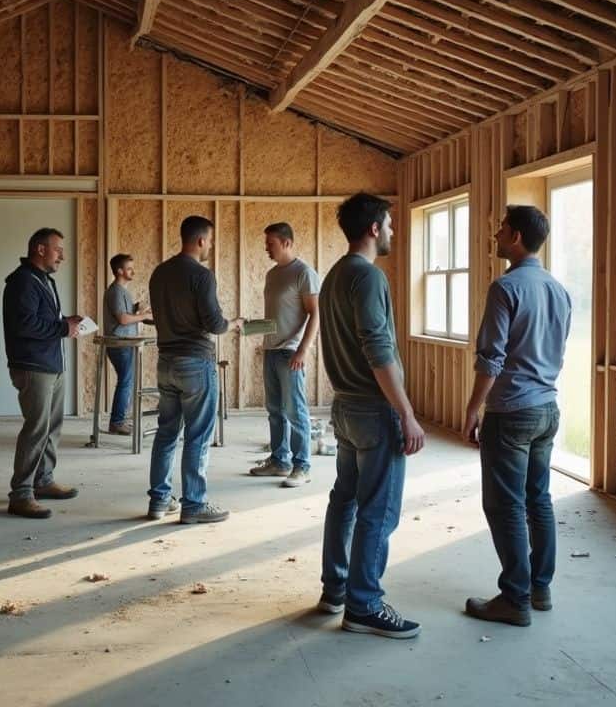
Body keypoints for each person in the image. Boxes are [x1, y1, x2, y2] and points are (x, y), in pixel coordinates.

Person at [317, 193, 426, 639]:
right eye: (391, 224)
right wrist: (407, 413)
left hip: (343, 405)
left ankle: (335, 590)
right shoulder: (368, 277)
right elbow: (378, 350)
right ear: (375, 228)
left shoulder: (334, 275)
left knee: (345, 499)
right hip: (371, 408)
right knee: (378, 509)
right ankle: (364, 605)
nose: (394, 232)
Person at [461, 205, 572, 627]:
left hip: (511, 411)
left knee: (505, 505)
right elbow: (556, 349)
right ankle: (539, 587)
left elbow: (492, 358)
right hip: (547, 408)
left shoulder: (506, 287)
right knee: (537, 499)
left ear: (518, 238)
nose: (496, 234)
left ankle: (514, 599)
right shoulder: (558, 289)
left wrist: (474, 409)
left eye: (502, 228)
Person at [146, 215, 243, 524]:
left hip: (166, 362)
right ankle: (193, 505)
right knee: (198, 436)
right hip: (196, 363)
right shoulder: (202, 276)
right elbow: (214, 323)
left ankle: (159, 501)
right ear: (201, 240)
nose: (210, 246)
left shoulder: (159, 273)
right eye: (210, 241)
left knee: (166, 433)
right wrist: (234, 324)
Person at [3, 227, 83, 519]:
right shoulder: (22, 282)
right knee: (37, 428)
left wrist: (67, 321)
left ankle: (43, 480)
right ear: (40, 249)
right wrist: (63, 328)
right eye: (57, 248)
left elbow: (42, 319)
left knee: (52, 426)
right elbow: (23, 325)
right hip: (34, 366)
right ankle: (21, 494)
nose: (62, 255)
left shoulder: (43, 280)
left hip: (51, 364)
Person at [248, 222, 320, 487]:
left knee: (295, 410)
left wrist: (303, 349)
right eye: (267, 244)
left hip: (291, 352)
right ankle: (280, 461)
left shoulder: (304, 273)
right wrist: (249, 327)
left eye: (271, 244)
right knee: (275, 410)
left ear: (287, 243)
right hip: (271, 350)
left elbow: (315, 314)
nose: (267, 248)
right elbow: (276, 318)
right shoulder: (272, 274)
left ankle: (302, 466)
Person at [103, 253, 151, 435]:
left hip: (125, 343)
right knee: (126, 382)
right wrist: (145, 316)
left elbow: (126, 313)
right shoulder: (116, 291)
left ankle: (119, 420)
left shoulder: (122, 292)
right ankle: (117, 422)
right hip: (120, 344)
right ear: (119, 271)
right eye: (129, 268)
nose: (133, 271)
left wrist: (138, 308)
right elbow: (122, 319)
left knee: (127, 382)